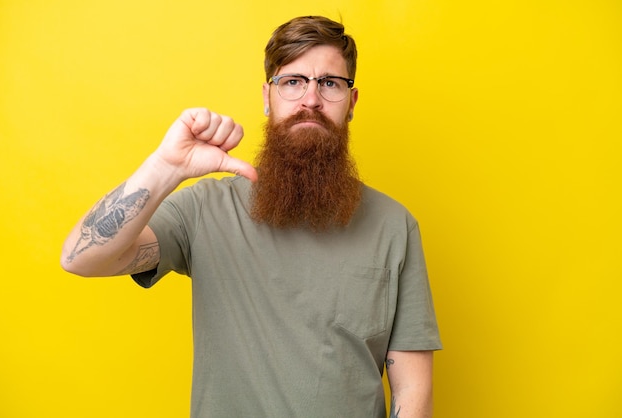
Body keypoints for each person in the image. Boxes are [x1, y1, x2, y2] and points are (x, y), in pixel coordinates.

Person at [61, 15, 442, 418]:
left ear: (352, 102)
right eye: (292, 82)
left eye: (330, 83)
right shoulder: (205, 208)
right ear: (267, 96)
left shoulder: (395, 225)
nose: (310, 99)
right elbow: (80, 258)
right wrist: (165, 168)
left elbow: (413, 390)